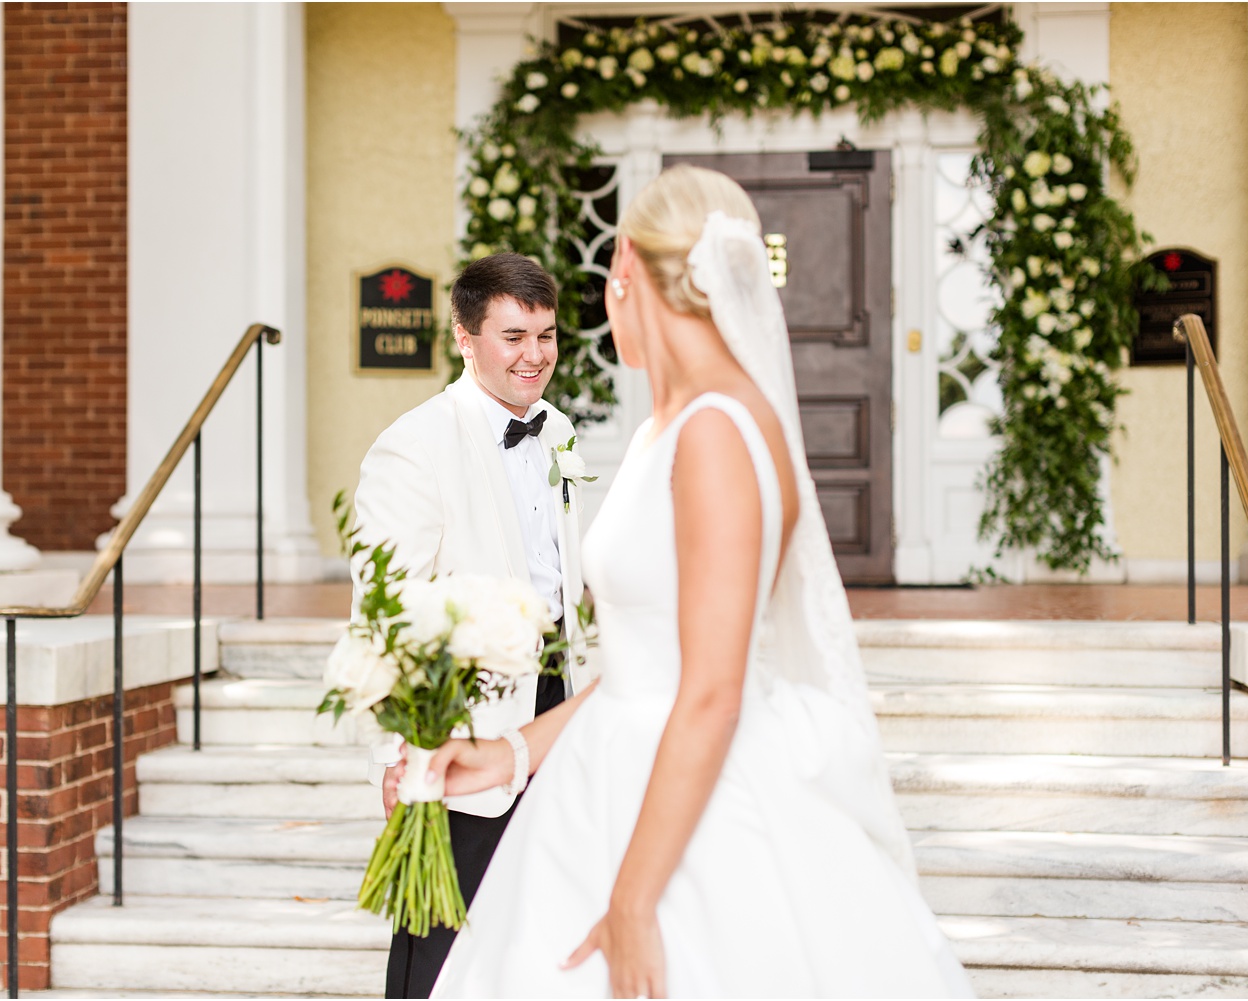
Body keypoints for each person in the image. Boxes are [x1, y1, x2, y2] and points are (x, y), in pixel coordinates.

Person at [416, 166, 973, 998]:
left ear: (627, 269)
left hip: (699, 807)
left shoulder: (717, 429)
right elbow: (645, 666)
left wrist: (635, 900)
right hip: (606, 775)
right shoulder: (664, 429)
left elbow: (711, 690)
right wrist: (508, 753)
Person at [349, 252, 588, 999]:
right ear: (465, 336)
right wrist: (402, 749)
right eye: (514, 336)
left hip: (560, 711)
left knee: (543, 925)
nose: (535, 356)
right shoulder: (414, 445)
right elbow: (386, 611)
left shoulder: (560, 433)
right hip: (461, 727)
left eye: (546, 336)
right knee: (442, 937)